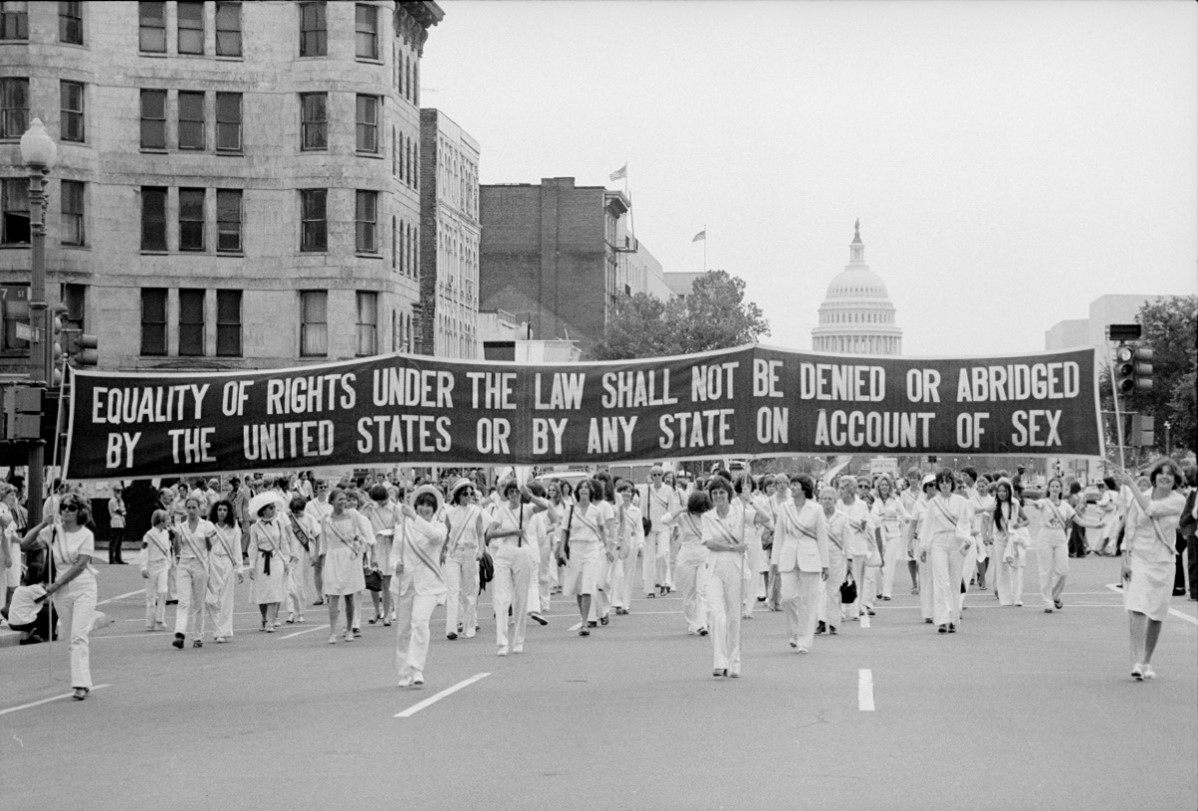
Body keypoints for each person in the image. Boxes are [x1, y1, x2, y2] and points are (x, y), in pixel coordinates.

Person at [22, 492, 98, 700]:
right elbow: (25, 544)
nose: (66, 511)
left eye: (71, 508)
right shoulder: (53, 532)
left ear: (79, 511)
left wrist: (56, 583)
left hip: (83, 588)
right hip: (61, 593)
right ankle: (84, 679)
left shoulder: (86, 535)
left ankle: (80, 684)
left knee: (78, 635)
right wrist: (41, 524)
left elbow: (81, 564)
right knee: (71, 636)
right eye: (63, 507)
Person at [1118, 460, 1187, 680]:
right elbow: (1130, 528)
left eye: (1170, 475)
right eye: (1161, 473)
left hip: (1164, 560)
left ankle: (1147, 659)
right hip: (1139, 556)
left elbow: (1150, 510)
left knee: (1156, 612)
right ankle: (1138, 660)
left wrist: (1130, 484)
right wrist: (1125, 560)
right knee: (1137, 605)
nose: (1165, 477)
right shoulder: (1140, 495)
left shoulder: (1178, 500)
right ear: (1154, 476)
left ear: (1176, 480)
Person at [485, 479, 556, 655]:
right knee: (502, 598)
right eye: (511, 492)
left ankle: (518, 641)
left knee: (521, 599)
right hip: (504, 554)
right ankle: (502, 643)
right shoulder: (501, 512)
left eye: (517, 492)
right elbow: (490, 534)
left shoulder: (527, 510)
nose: (514, 495)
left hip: (522, 554)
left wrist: (529, 494)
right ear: (507, 495)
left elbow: (545, 506)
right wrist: (511, 532)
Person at [391, 484, 449, 688]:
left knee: (420, 622)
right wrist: (395, 564)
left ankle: (416, 668)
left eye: (429, 506)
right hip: (405, 584)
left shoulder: (439, 526)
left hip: (429, 585)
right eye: (421, 505)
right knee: (403, 630)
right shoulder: (403, 527)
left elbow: (435, 537)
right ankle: (403, 672)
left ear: (434, 509)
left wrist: (413, 517)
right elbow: (395, 551)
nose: (424, 508)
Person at [772, 474, 829, 653]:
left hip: (810, 558)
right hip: (788, 556)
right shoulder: (784, 508)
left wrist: (825, 563)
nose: (792, 488)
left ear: (804, 488)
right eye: (792, 485)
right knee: (788, 598)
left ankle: (804, 639)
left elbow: (822, 537)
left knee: (808, 600)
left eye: (795, 485)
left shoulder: (816, 509)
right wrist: (775, 560)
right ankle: (795, 632)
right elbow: (779, 535)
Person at [701, 476, 748, 678]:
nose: (718, 496)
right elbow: (709, 543)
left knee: (733, 618)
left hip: (735, 568)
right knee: (717, 615)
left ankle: (734, 662)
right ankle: (719, 662)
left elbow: (766, 519)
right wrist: (731, 547)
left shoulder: (740, 513)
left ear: (729, 494)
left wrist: (750, 500)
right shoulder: (707, 517)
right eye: (715, 493)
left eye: (722, 492)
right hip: (713, 568)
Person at [919, 469, 971, 634]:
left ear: (952, 483)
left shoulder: (961, 502)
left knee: (954, 582)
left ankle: (953, 619)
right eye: (941, 482)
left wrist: (966, 539)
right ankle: (942, 619)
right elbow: (927, 526)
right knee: (941, 581)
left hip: (956, 542)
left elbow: (964, 523)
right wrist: (924, 547)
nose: (944, 484)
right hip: (939, 543)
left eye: (947, 481)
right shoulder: (933, 503)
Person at [555, 478, 607, 637]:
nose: (584, 490)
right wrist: (562, 550)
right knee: (578, 587)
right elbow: (564, 530)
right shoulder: (570, 510)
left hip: (591, 549)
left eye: (587, 488)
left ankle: (585, 623)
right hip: (575, 548)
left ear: (591, 492)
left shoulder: (596, 510)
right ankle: (583, 616)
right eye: (581, 488)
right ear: (577, 491)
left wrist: (607, 547)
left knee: (587, 586)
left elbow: (602, 529)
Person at [320, 488, 369, 643]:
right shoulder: (326, 519)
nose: (343, 502)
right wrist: (321, 559)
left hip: (349, 557)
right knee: (333, 595)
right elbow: (323, 543)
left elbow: (364, 534)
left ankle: (349, 629)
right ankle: (332, 631)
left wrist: (360, 544)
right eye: (339, 499)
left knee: (349, 595)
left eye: (344, 499)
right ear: (332, 501)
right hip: (333, 558)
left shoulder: (353, 515)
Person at [661, 489, 711, 637]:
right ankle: (692, 623)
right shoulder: (683, 517)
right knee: (689, 593)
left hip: (704, 556)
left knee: (702, 591)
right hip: (686, 557)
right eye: (697, 509)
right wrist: (682, 509)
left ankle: (702, 623)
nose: (699, 512)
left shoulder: (708, 517)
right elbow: (664, 520)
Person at [171, 496, 216, 649]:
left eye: (194, 507)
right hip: (184, 564)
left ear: (200, 508)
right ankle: (180, 634)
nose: (191, 511)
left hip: (200, 565)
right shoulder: (181, 527)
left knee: (198, 603)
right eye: (188, 507)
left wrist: (208, 539)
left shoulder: (207, 526)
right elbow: (177, 548)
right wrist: (176, 541)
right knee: (183, 602)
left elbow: (210, 548)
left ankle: (197, 636)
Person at [444, 478, 485, 640]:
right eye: (465, 493)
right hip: (453, 553)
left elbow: (481, 534)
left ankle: (469, 626)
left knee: (470, 591)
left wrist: (481, 550)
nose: (469, 496)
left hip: (470, 552)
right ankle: (451, 628)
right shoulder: (450, 512)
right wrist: (441, 552)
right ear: (458, 495)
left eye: (470, 493)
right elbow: (445, 535)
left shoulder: (476, 512)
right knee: (453, 590)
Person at [1027, 477, 1075, 614]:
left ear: (1061, 489)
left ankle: (1055, 595)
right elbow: (1038, 504)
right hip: (1045, 537)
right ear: (1049, 488)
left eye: (1057, 486)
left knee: (1063, 570)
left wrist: (1095, 525)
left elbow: (1076, 519)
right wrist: (1034, 504)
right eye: (1052, 486)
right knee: (1045, 571)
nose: (1054, 488)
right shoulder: (1045, 502)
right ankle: (1047, 602)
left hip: (1060, 538)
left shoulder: (1065, 505)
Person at [247, 492, 293, 632]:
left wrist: (286, 560)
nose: (274, 510)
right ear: (263, 510)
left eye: (274, 507)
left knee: (274, 590)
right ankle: (264, 617)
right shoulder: (255, 527)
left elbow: (284, 543)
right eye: (270, 507)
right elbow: (253, 547)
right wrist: (252, 566)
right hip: (261, 560)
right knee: (262, 592)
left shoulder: (279, 523)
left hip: (276, 559)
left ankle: (271, 621)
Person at [837, 476, 875, 621]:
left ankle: (855, 610)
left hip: (859, 545)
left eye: (843, 488)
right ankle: (839, 610)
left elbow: (866, 525)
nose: (840, 491)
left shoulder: (861, 505)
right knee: (841, 579)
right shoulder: (837, 504)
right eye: (840, 488)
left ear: (850, 489)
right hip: (841, 546)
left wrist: (860, 525)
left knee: (857, 578)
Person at [206, 500, 243, 642]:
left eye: (225, 510)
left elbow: (237, 549)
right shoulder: (209, 527)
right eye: (219, 509)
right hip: (212, 562)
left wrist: (239, 568)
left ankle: (222, 631)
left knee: (226, 599)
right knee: (210, 600)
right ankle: (218, 627)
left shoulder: (233, 528)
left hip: (227, 562)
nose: (222, 512)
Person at [362, 485, 399, 626]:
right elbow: (361, 521)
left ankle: (388, 612)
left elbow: (401, 526)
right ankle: (376, 609)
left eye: (383, 500)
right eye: (379, 501)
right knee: (373, 580)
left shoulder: (395, 508)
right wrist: (365, 507)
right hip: (375, 546)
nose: (382, 503)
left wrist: (395, 532)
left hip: (389, 545)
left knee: (386, 582)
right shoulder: (372, 508)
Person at [990, 477, 1028, 607]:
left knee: (1015, 567)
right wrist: (988, 535)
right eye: (999, 491)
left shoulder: (1015, 503)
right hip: (1000, 540)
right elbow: (989, 522)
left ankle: (1017, 597)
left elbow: (1026, 520)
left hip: (1013, 539)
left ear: (1009, 492)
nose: (1001, 493)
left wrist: (1018, 526)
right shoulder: (995, 505)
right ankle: (1005, 598)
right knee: (1002, 569)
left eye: (1004, 491)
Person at [871, 474, 909, 601]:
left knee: (890, 564)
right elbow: (872, 515)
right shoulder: (874, 499)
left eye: (886, 485)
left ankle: (887, 591)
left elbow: (905, 515)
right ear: (878, 486)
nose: (884, 487)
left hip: (893, 535)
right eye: (882, 485)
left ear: (890, 486)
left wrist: (907, 522)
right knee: (878, 563)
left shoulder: (895, 500)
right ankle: (879, 589)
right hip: (878, 534)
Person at [643, 467, 678, 599]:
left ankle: (665, 583)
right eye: (654, 475)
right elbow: (642, 510)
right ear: (651, 476)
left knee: (663, 554)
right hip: (650, 527)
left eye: (658, 474)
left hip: (664, 526)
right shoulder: (646, 490)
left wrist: (674, 526)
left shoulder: (668, 490)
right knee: (649, 558)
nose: (656, 477)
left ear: (661, 476)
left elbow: (672, 510)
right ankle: (649, 589)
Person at [817, 485, 847, 635]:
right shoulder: (816, 515)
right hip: (819, 557)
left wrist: (849, 560)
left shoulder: (842, 517)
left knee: (833, 590)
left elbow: (847, 540)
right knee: (820, 590)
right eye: (824, 499)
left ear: (835, 500)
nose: (827, 502)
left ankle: (834, 622)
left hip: (836, 558)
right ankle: (821, 621)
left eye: (830, 499)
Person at [610, 481, 644, 616]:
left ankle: (625, 604)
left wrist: (640, 544)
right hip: (618, 542)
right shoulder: (615, 509)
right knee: (618, 573)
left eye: (629, 491)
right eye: (623, 491)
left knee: (629, 573)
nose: (626, 493)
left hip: (632, 541)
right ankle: (617, 602)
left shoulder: (636, 511)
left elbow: (640, 528)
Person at [284, 496, 317, 625]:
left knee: (302, 585)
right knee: (289, 585)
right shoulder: (288, 519)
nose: (297, 513)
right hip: (290, 556)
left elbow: (317, 535)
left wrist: (315, 555)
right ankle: (291, 612)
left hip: (304, 555)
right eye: (295, 511)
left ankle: (301, 612)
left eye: (299, 511)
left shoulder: (309, 519)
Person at [139, 510, 171, 631]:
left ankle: (160, 619)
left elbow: (168, 549)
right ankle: (149, 622)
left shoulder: (166, 533)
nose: (168, 522)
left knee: (163, 591)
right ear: (161, 521)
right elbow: (144, 551)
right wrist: (143, 567)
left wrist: (169, 562)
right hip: (151, 566)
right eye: (167, 519)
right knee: (151, 596)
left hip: (163, 565)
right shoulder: (149, 535)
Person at [304, 479, 333, 604]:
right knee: (317, 567)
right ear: (316, 489)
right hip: (316, 537)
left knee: (329, 567)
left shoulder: (331, 504)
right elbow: (305, 521)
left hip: (329, 537)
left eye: (324, 487)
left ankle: (330, 593)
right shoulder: (310, 505)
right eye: (320, 487)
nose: (322, 489)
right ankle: (319, 595)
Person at [107, 485, 127, 564]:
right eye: (117, 491)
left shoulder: (121, 501)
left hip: (121, 522)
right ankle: (111, 559)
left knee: (119, 542)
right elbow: (119, 511)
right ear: (114, 491)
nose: (119, 493)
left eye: (120, 491)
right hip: (115, 522)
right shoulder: (112, 501)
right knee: (114, 541)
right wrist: (123, 512)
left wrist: (123, 512)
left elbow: (124, 510)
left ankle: (118, 558)